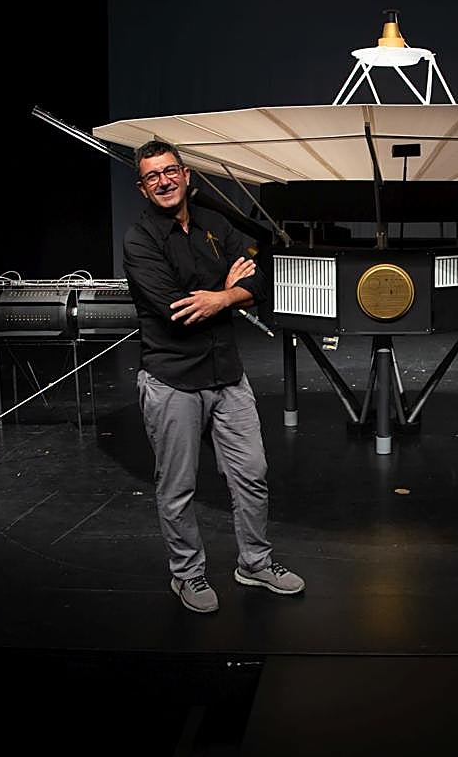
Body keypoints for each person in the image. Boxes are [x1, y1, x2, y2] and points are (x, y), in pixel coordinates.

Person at [123, 139, 304, 613]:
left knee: (252, 474)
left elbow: (257, 281)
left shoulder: (214, 224)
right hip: (172, 379)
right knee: (178, 487)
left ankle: (255, 563)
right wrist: (225, 288)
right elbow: (176, 309)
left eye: (169, 171)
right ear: (143, 189)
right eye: (152, 177)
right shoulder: (140, 240)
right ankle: (186, 575)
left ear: (186, 175)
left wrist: (224, 297)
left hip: (227, 375)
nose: (163, 181)